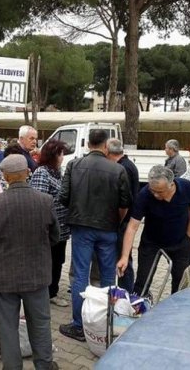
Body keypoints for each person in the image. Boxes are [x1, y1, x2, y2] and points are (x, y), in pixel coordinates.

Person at [0, 154, 60, 369]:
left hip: (3, 277)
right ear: (27, 173)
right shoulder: (45, 201)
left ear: (5, 177)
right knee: (41, 324)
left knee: (7, 327)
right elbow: (55, 237)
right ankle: (44, 365)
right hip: (37, 275)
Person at [59, 129, 131, 342]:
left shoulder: (74, 165)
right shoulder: (117, 169)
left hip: (81, 226)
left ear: (88, 144)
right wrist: (115, 220)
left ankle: (79, 325)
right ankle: (108, 322)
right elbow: (125, 202)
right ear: (106, 146)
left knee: (80, 274)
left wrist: (77, 208)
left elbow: (64, 197)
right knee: (108, 275)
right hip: (108, 227)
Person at [117, 165, 190, 295]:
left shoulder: (186, 188)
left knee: (180, 283)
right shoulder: (144, 194)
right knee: (142, 281)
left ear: (171, 185)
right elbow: (132, 227)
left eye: (159, 192)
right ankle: (140, 308)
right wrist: (125, 257)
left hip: (179, 243)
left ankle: (177, 311)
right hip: (151, 243)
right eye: (152, 190)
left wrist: (189, 236)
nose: (155, 194)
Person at [30, 139, 70, 307]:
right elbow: (39, 201)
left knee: (58, 260)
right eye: (61, 154)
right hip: (48, 229)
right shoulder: (42, 173)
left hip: (61, 228)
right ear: (53, 155)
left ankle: (52, 292)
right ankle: (44, 293)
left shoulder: (57, 172)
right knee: (48, 261)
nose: (62, 157)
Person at [106, 138, 139, 293]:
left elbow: (123, 200)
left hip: (124, 221)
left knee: (123, 258)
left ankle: (126, 292)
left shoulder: (122, 168)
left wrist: (118, 220)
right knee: (124, 257)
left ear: (109, 152)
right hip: (126, 220)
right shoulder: (128, 164)